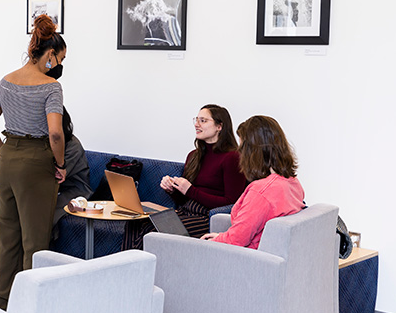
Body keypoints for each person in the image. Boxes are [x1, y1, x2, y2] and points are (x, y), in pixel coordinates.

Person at [0, 14, 67, 310]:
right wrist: (60, 164)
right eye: (60, 59)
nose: (59, 66)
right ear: (50, 54)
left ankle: (2, 301)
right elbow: (55, 133)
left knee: (6, 236)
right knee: (35, 238)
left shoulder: (4, 82)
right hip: (37, 161)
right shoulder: (50, 87)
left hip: (8, 160)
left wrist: (3, 151)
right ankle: (30, 304)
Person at [122, 104, 247, 249]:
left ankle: (140, 270)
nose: (197, 124)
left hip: (207, 217)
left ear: (219, 126)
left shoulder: (232, 157)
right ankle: (126, 270)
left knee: (152, 232)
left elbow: (232, 203)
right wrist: (173, 189)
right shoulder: (193, 155)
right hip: (185, 211)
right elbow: (183, 200)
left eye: (203, 121)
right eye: (196, 120)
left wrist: (190, 190)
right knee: (135, 223)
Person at [202, 115, 305, 249]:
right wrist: (221, 237)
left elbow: (237, 240)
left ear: (253, 152)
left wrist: (208, 244)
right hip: (268, 255)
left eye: (242, 149)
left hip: (249, 260)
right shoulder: (293, 183)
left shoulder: (261, 192)